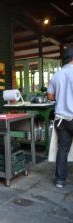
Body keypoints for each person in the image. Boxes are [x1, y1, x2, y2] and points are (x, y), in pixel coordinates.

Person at [47, 46, 73, 188]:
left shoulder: (56, 75)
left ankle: (60, 180)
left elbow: (50, 96)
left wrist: (61, 95)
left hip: (61, 119)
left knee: (62, 149)